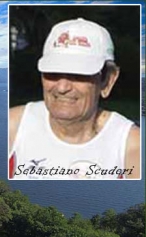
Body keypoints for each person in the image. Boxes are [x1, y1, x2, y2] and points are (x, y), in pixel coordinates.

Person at [9, 18, 140, 179]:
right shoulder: (12, 126)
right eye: (52, 72)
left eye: (79, 74)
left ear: (107, 80)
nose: (62, 87)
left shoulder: (131, 145)